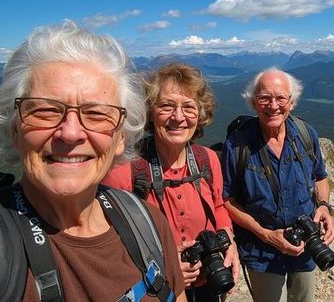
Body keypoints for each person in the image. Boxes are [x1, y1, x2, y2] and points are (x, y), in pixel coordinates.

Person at [0, 21, 187, 301]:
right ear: (15, 129)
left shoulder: (148, 223)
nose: (70, 133)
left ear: (120, 139)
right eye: (45, 110)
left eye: (96, 114)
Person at [103, 62, 240, 302]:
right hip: (155, 288)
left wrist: (228, 242)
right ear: (150, 112)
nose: (178, 117)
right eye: (166, 106)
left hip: (209, 277)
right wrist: (163, 262)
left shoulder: (208, 160)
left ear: (201, 114)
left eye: (189, 107)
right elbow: (108, 239)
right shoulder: (124, 169)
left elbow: (219, 206)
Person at [221, 67, 334, 302]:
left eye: (280, 98)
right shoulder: (237, 145)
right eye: (264, 98)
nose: (273, 106)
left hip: (306, 245)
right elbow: (226, 201)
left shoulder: (305, 134)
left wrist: (323, 206)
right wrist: (266, 234)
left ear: (291, 103)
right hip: (262, 251)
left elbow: (320, 177)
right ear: (254, 103)